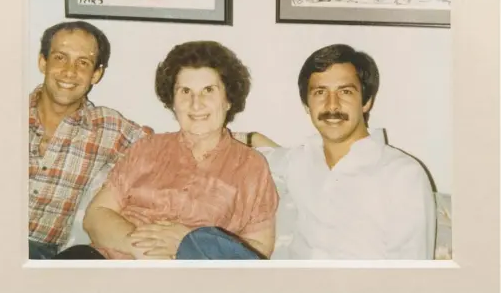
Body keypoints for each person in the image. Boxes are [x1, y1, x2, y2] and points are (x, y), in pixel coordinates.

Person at [54, 40, 279, 260]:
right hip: (116, 260)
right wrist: (141, 249)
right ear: (172, 101)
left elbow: (259, 249)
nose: (196, 103)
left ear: (228, 99)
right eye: (185, 91)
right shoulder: (147, 148)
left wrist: (190, 243)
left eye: (208, 90)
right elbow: (96, 214)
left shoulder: (251, 165)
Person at [248, 44, 437, 259]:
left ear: (366, 102)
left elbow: (413, 274)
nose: (332, 105)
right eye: (320, 92)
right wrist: (250, 137)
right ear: (307, 106)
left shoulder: (403, 176)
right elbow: (259, 154)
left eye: (345, 92)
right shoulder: (300, 160)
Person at [29, 21, 153, 259]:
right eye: (60, 58)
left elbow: (175, 145)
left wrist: (246, 139)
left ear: (96, 74)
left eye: (83, 63)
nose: (69, 71)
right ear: (42, 62)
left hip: (39, 255)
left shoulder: (108, 128)